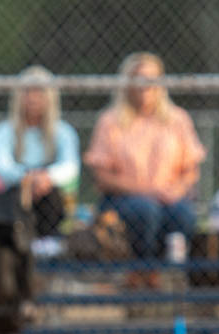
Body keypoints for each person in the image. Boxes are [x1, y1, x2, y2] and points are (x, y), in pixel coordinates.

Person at [84, 52, 204, 272]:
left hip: (168, 197)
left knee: (183, 215)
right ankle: (142, 272)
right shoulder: (110, 121)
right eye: (138, 79)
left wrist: (176, 190)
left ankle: (170, 271)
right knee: (145, 211)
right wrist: (146, 190)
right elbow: (102, 177)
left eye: (150, 79)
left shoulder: (177, 119)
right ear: (127, 84)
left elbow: (191, 170)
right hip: (123, 199)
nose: (144, 86)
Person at [0, 65, 79, 238]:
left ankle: (49, 243)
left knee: (51, 197)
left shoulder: (63, 132)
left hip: (50, 191)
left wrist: (46, 177)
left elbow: (70, 167)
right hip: (18, 190)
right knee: (18, 194)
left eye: (39, 92)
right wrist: (28, 179)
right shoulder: (4, 131)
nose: (32, 98)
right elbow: (3, 167)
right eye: (27, 92)